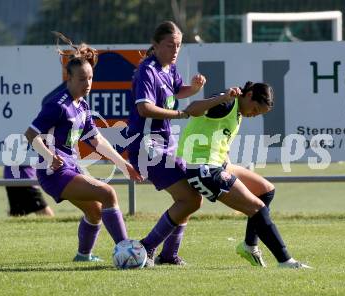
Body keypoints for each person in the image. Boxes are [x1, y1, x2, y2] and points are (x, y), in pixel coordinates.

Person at [24, 32, 143, 262]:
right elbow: (30, 135)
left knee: (95, 210)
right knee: (107, 193)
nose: (87, 83)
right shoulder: (57, 105)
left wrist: (123, 163)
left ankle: (83, 256)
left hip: (70, 167)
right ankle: (127, 252)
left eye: (89, 78)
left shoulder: (82, 105)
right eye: (81, 79)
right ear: (68, 79)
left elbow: (97, 140)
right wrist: (49, 156)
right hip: (54, 172)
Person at [176, 81, 312, 269]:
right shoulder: (227, 102)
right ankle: (285, 261)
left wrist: (227, 162)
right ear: (248, 95)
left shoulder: (237, 110)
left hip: (219, 164)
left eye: (259, 114)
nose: (254, 115)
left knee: (266, 191)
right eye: (255, 109)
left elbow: (217, 136)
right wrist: (223, 97)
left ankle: (249, 245)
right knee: (257, 207)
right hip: (202, 169)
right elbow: (191, 109)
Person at [125, 20, 206, 267]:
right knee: (190, 199)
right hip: (147, 147)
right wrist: (182, 114)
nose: (175, 50)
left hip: (165, 145)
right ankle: (147, 247)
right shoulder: (147, 70)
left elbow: (176, 91)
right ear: (156, 45)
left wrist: (193, 89)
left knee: (192, 197)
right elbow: (145, 108)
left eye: (179, 45)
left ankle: (168, 255)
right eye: (170, 45)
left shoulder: (169, 68)